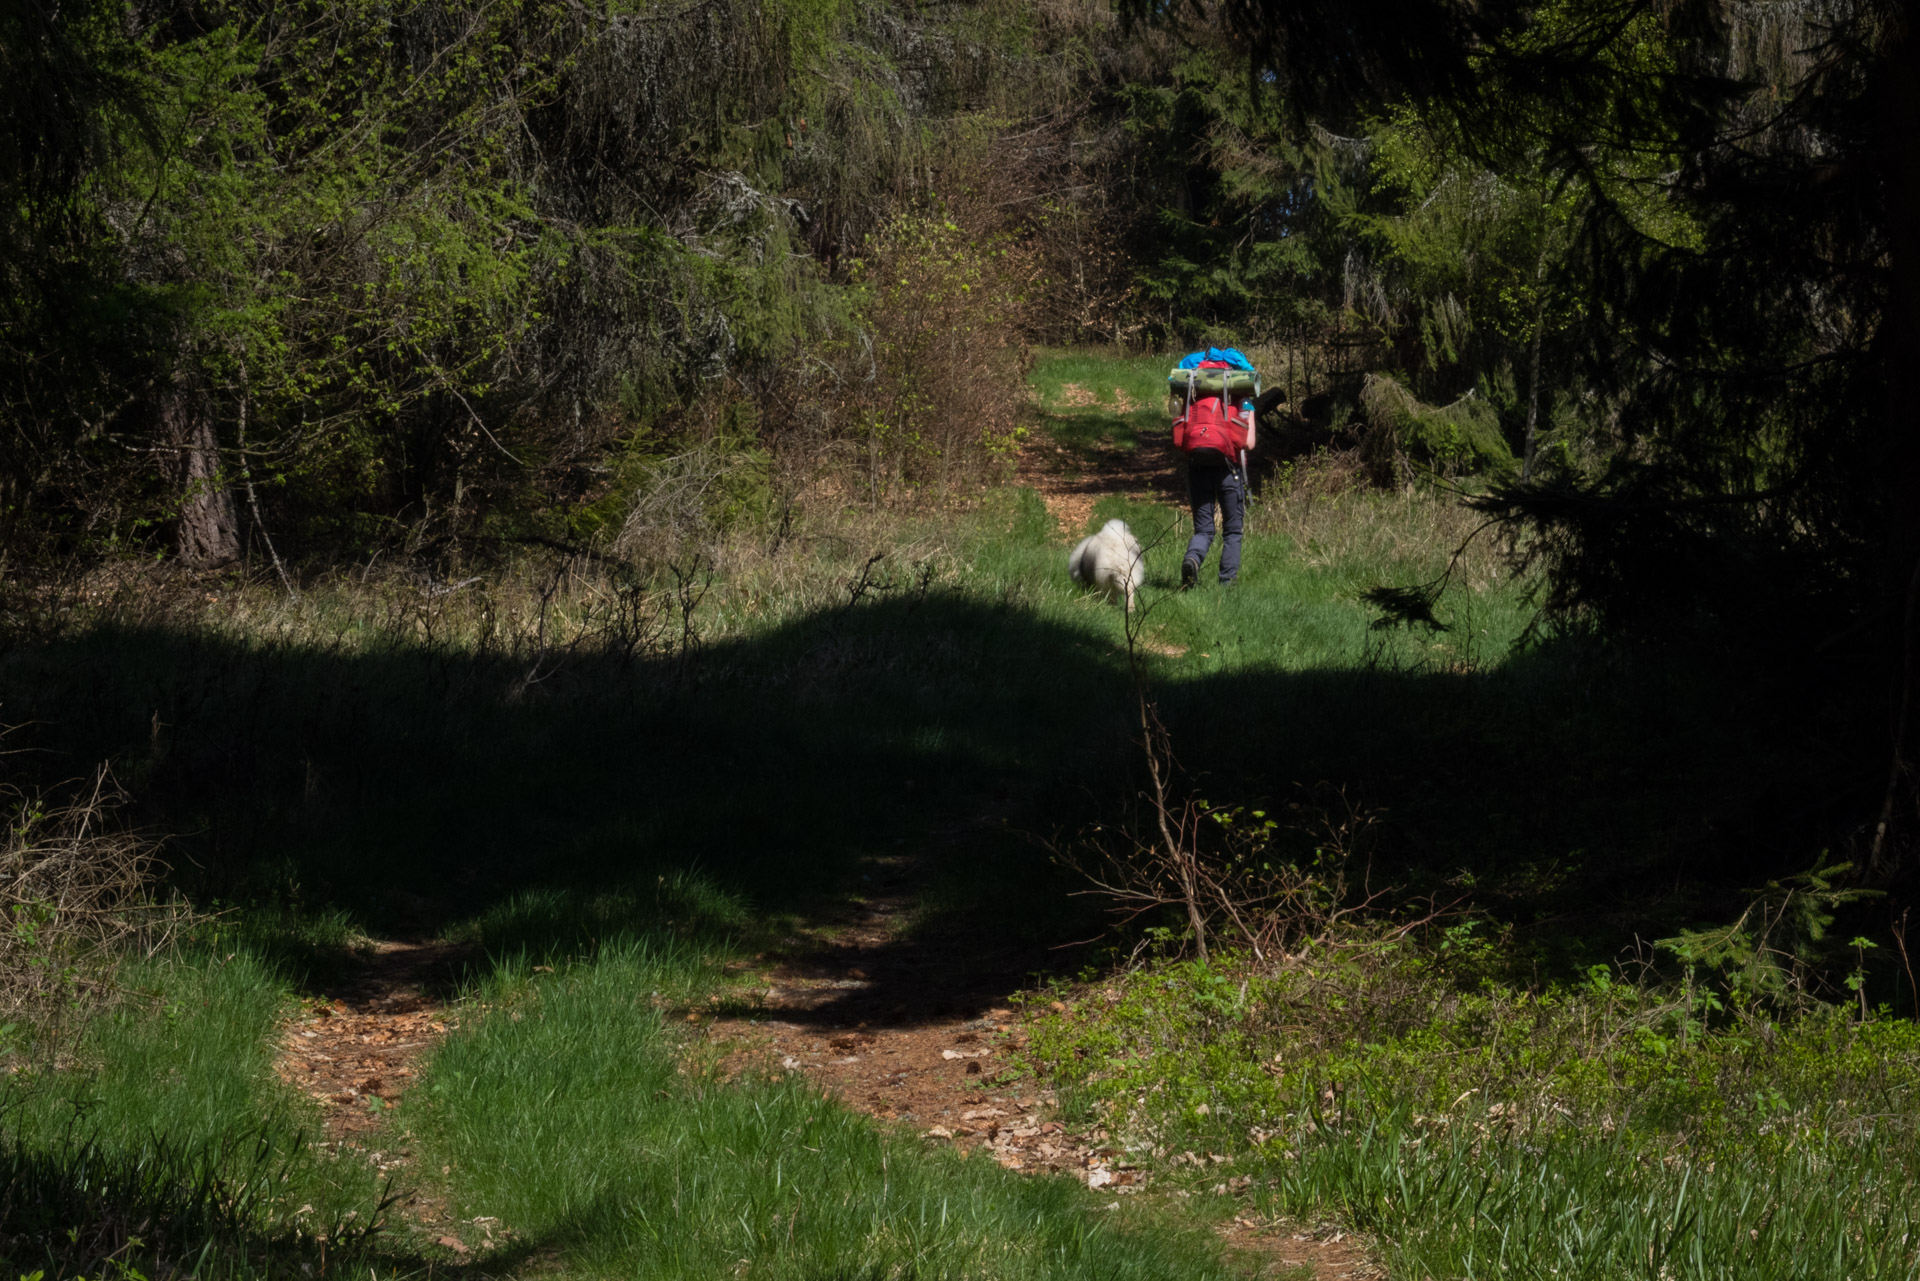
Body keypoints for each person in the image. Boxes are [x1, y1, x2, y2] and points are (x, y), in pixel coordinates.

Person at [1175, 347, 1286, 588]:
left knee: (1203, 530)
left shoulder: (1193, 396)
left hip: (1196, 467)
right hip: (1229, 470)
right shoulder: (1242, 399)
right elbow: (1248, 443)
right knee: (1232, 531)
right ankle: (1226, 585)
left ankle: (1192, 559)